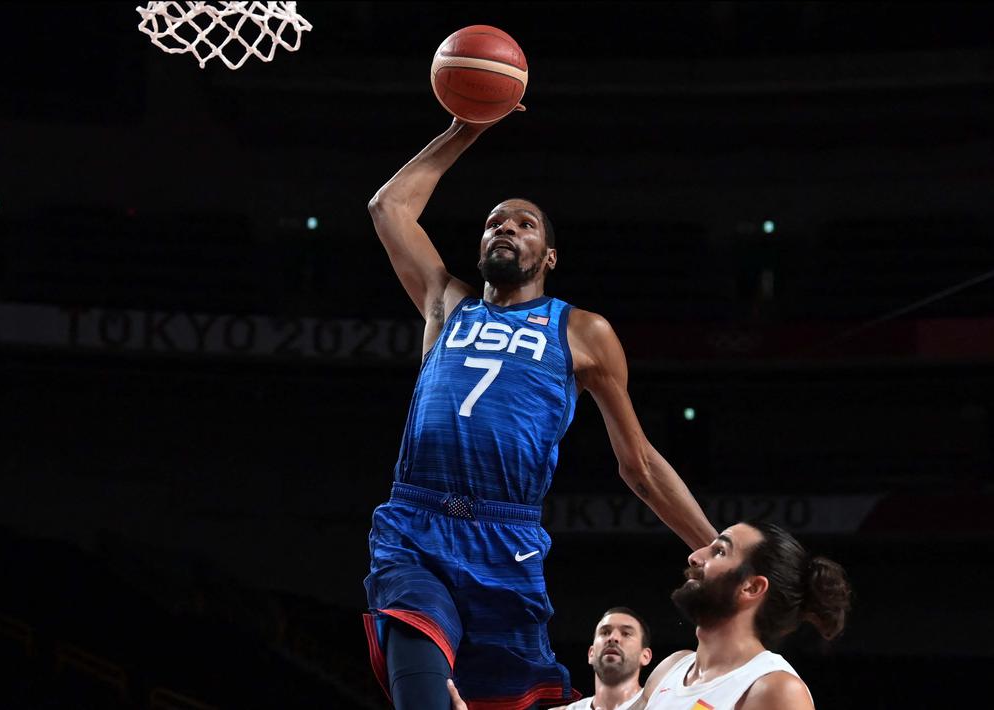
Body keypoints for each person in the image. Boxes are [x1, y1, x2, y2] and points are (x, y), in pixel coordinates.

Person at [363, 113, 718, 710]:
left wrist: (712, 547)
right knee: (420, 693)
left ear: (548, 256)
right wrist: (466, 127)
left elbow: (640, 465)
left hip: (507, 537)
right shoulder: (445, 303)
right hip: (415, 524)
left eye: (524, 223)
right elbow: (387, 207)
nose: (505, 227)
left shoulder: (582, 331)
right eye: (493, 221)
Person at [448, 522, 851, 710]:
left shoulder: (775, 691)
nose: (696, 556)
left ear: (751, 588)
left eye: (720, 552)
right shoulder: (672, 668)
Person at [552, 607, 653, 710]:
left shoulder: (661, 705)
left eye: (626, 633)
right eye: (605, 632)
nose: (613, 638)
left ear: (645, 656)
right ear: (591, 653)